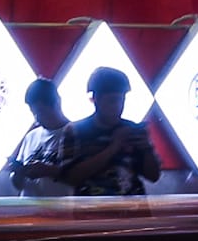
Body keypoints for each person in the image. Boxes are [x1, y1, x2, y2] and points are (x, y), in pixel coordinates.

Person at [53, 67, 159, 198]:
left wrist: (147, 149)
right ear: (95, 99)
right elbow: (70, 178)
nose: (118, 106)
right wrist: (114, 147)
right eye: (112, 101)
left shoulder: (133, 129)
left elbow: (153, 177)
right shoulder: (75, 131)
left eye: (122, 100)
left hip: (133, 212)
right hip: (91, 213)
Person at [5, 76, 72, 195]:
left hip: (60, 210)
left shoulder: (76, 134)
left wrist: (50, 171)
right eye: (34, 113)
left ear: (57, 104)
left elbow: (83, 177)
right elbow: (18, 185)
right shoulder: (31, 137)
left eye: (41, 112)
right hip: (28, 210)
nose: (37, 118)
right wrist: (18, 172)